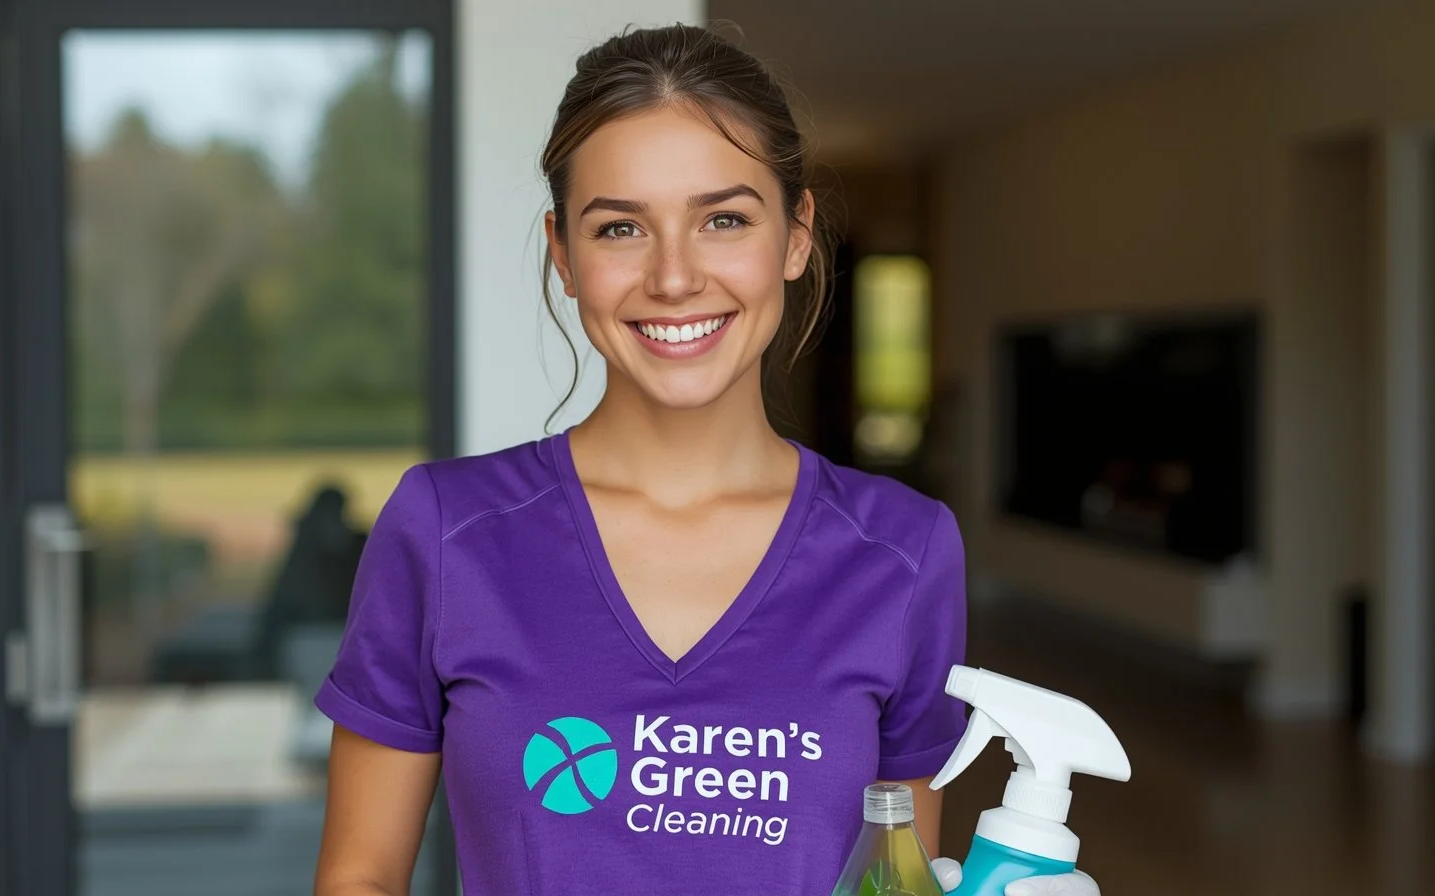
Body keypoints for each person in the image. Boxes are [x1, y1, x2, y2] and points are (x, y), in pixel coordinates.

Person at [312, 23, 1102, 896]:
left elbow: (895, 877)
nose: (675, 277)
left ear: (797, 236)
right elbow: (360, 875)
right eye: (620, 229)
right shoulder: (448, 530)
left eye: (723, 218)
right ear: (564, 254)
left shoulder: (904, 552)